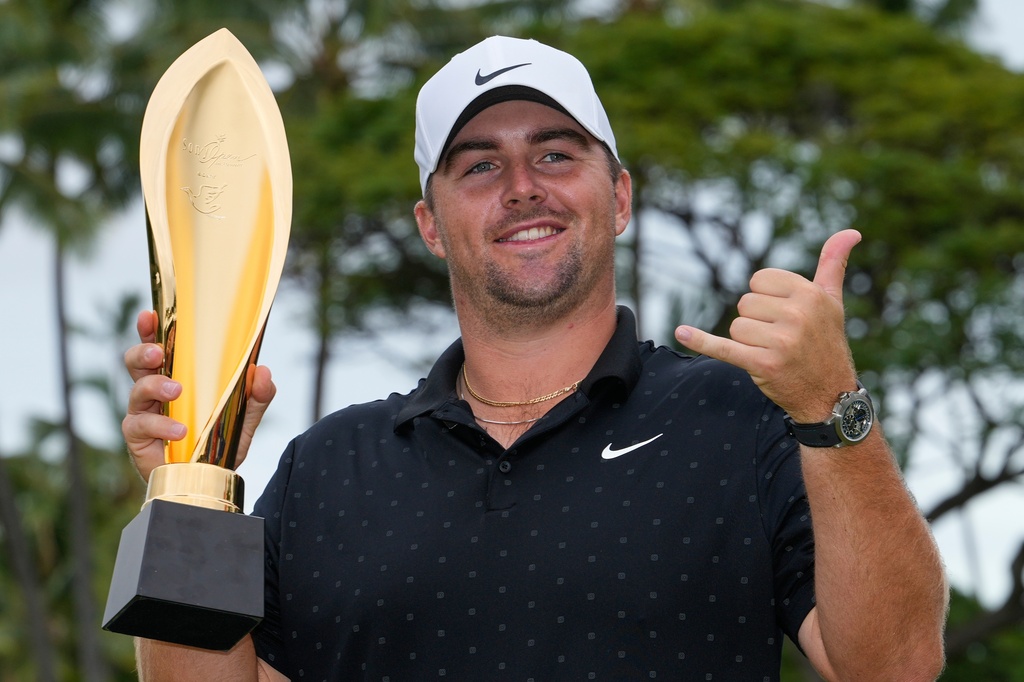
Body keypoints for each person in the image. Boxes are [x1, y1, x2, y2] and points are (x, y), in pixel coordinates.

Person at [124, 36, 948, 681]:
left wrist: (832, 407)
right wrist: (187, 488)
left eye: (556, 153)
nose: (523, 185)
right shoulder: (330, 467)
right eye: (480, 165)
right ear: (431, 224)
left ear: (618, 195)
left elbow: (895, 667)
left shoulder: (741, 421)